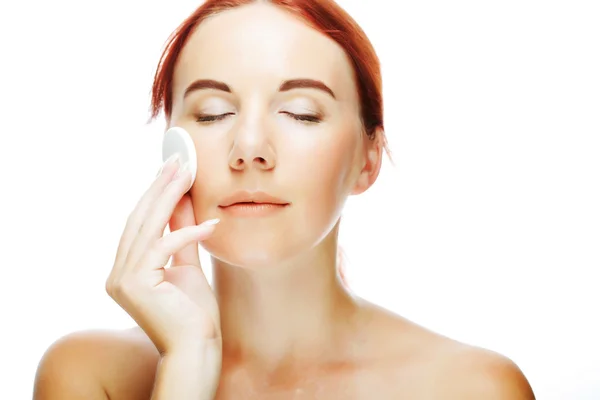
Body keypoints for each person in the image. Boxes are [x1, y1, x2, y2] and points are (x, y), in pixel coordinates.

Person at [33, 0, 536, 398]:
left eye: (300, 112)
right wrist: (187, 366)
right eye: (211, 114)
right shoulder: (88, 377)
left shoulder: (473, 389)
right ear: (173, 151)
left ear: (368, 159)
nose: (250, 149)